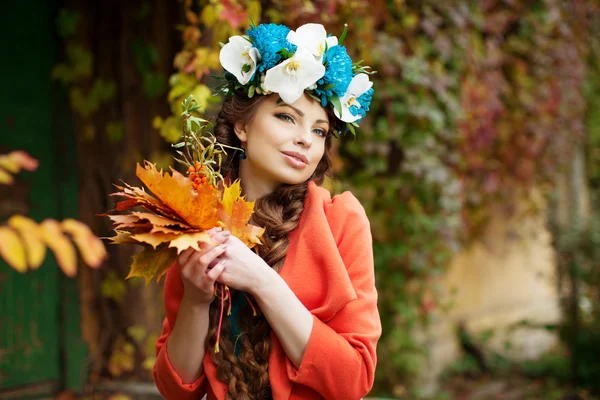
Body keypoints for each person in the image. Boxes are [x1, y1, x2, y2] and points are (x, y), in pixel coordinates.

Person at [153, 22, 381, 400]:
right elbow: (175, 390)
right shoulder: (198, 220)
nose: (305, 138)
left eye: (320, 130)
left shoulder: (342, 221)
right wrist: (195, 300)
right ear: (242, 124)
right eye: (286, 117)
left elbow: (352, 380)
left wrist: (263, 280)